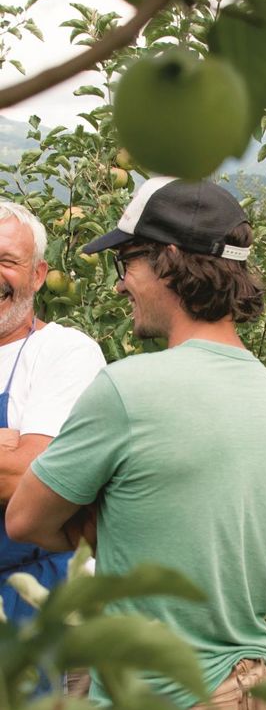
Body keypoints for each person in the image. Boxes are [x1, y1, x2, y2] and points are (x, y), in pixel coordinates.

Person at [6, 177, 266, 710]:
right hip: (255, 699)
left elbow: (24, 518)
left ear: (168, 261)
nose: (118, 284)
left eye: (126, 263)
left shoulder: (128, 388)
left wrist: (95, 518)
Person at [0, 201, 105, 624]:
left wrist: (21, 462)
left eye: (7, 261)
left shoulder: (63, 352)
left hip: (39, 605)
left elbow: (30, 479)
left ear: (38, 275)